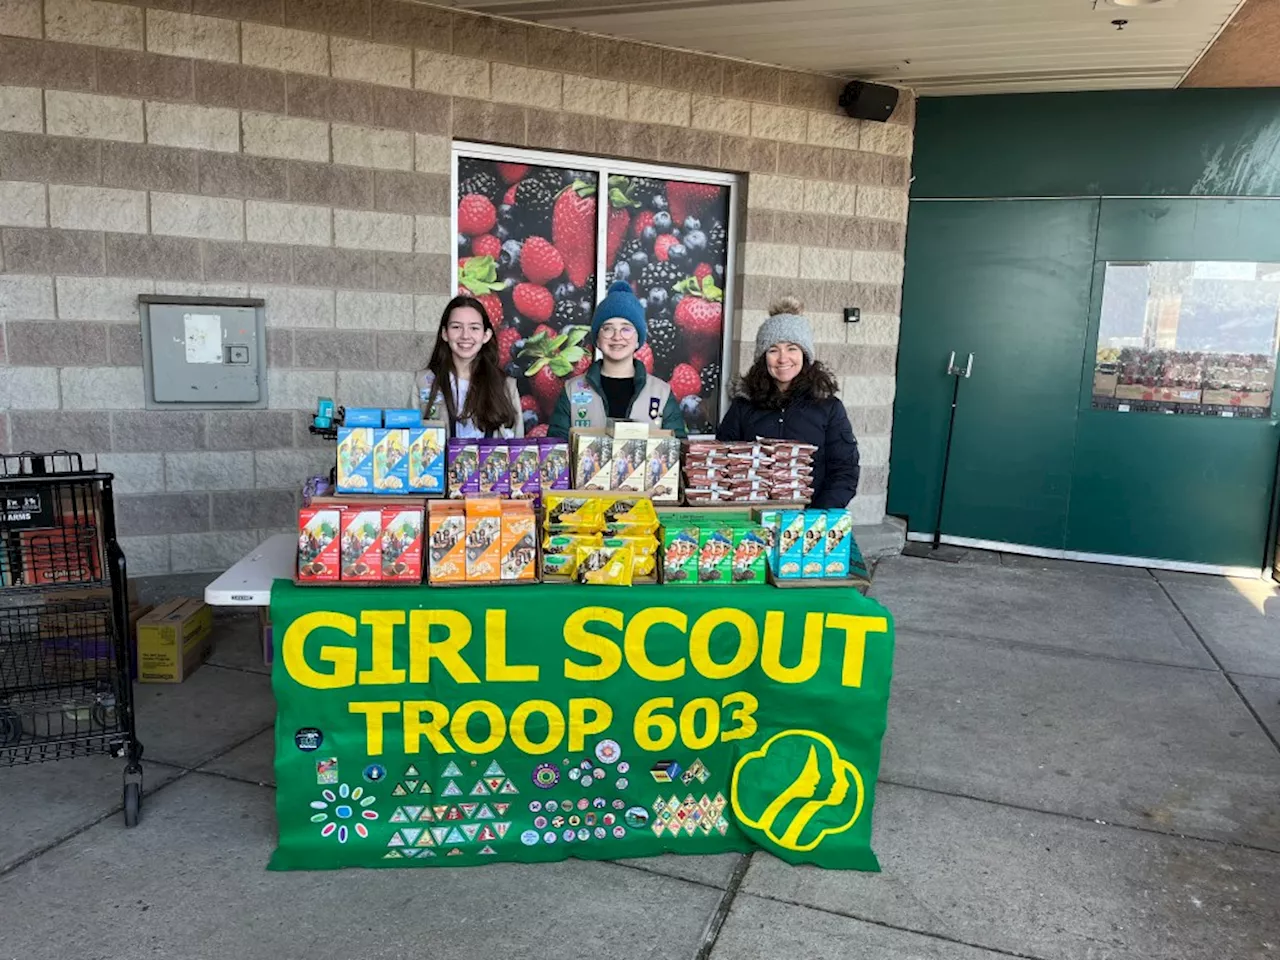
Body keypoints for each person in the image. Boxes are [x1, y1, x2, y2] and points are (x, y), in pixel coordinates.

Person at [717, 297, 860, 508]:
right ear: (763, 357)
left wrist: (817, 517)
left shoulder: (828, 407)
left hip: (810, 520)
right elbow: (722, 461)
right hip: (752, 523)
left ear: (805, 353)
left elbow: (844, 469)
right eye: (773, 350)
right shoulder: (744, 405)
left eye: (792, 348)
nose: (783, 359)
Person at [548, 281, 687, 438]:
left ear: (637, 340)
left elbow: (679, 450)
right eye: (608, 328)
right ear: (597, 340)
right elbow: (556, 451)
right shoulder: (572, 390)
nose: (617, 336)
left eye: (626, 329)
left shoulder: (662, 393)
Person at [414, 295, 522, 438]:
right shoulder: (423, 382)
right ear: (445, 334)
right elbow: (412, 440)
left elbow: (517, 447)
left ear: (486, 335)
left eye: (474, 328)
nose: (465, 335)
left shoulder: (506, 387)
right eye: (456, 327)